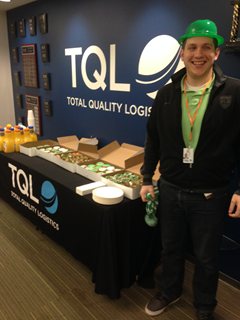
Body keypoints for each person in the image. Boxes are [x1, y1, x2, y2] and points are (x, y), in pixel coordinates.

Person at [140, 19, 240, 320]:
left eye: (206, 47)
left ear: (216, 53)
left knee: (207, 258)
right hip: (170, 189)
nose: (199, 54)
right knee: (170, 249)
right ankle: (169, 292)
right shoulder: (167, 94)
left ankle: (205, 306)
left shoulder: (235, 92)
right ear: (182, 53)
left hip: (212, 195)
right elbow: (153, 139)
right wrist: (147, 179)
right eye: (192, 47)